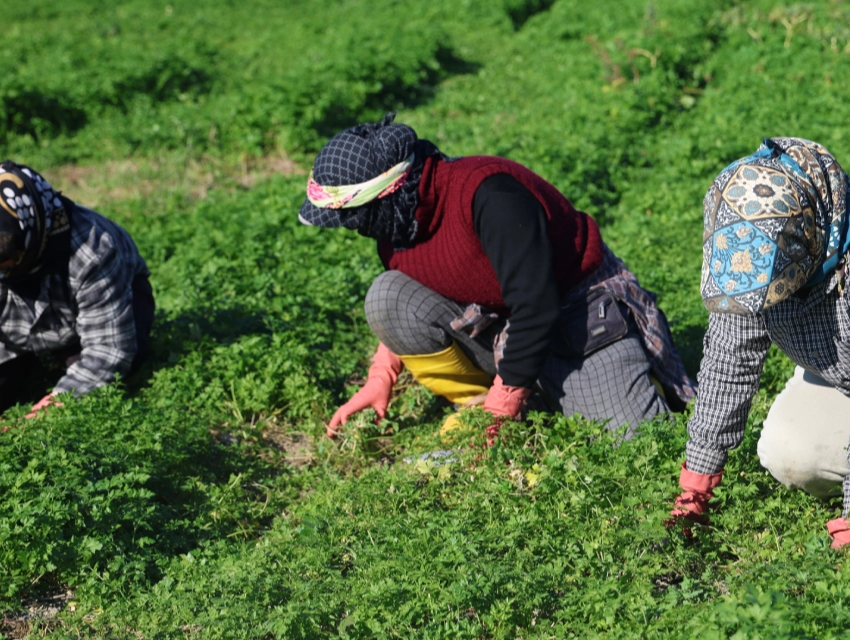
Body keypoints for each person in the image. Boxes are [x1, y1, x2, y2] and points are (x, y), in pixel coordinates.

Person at [298, 114, 695, 439]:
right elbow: (416, 286)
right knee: (387, 295)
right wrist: (381, 374)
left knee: (637, 441)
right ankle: (496, 400)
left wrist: (504, 404)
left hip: (578, 316)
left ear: (387, 193)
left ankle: (528, 394)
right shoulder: (398, 225)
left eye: (352, 216)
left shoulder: (489, 197)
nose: (352, 227)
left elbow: (537, 307)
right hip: (505, 325)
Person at [669, 137, 850, 549]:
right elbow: (729, 363)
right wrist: (696, 488)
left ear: (806, 245)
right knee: (789, 453)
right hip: (849, 376)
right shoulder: (744, 239)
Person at [0, 160, 154, 421]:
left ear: (31, 238)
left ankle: (51, 366)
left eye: (7, 264)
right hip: (3, 331)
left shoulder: (92, 250)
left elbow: (109, 350)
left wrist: (49, 413)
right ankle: (26, 363)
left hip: (77, 326)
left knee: (114, 375)